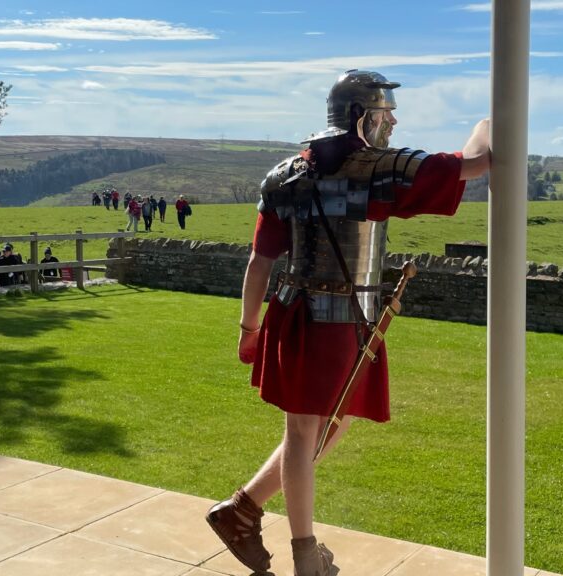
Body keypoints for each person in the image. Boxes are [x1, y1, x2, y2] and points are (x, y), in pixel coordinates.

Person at [204, 70, 492, 576]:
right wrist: (489, 121)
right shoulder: (378, 169)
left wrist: (248, 330)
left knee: (325, 422)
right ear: (362, 116)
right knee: (308, 429)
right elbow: (476, 163)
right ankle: (305, 554)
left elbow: (259, 262)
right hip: (338, 320)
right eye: (386, 112)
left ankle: (243, 510)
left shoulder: (285, 174)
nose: (394, 120)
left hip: (295, 313)